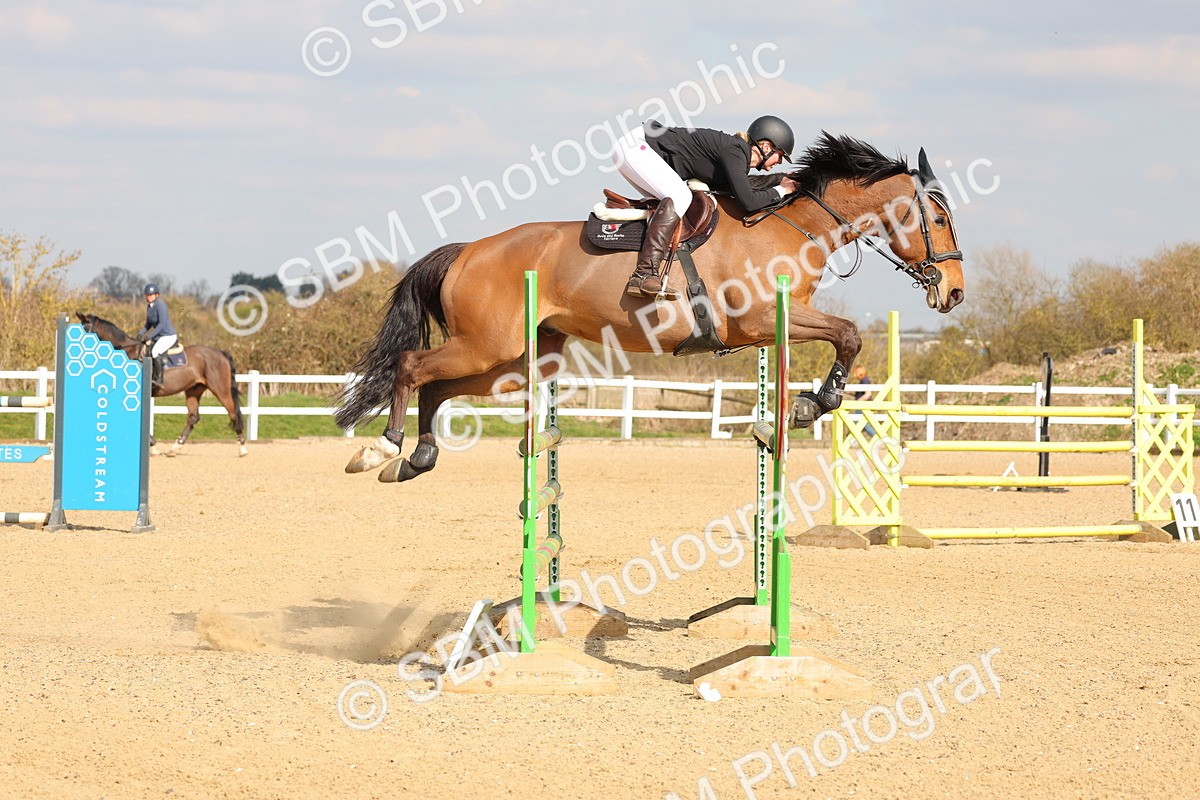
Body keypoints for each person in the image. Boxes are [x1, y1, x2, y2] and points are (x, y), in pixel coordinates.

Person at [611, 115, 802, 299]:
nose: (779, 162)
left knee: (668, 203)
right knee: (679, 196)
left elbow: (744, 186)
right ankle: (644, 274)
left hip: (638, 149)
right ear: (766, 146)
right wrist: (781, 190)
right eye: (780, 155)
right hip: (636, 147)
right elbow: (748, 201)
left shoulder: (737, 156)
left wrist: (779, 181)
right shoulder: (735, 150)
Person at [137, 283, 177, 388]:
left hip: (168, 336)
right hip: (159, 336)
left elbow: (161, 324)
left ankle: (159, 380)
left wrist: (149, 336)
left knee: (155, 352)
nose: (148, 297)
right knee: (145, 350)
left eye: (151, 295)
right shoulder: (149, 307)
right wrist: (141, 333)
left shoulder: (161, 305)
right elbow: (148, 324)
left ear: (156, 295)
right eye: (147, 295)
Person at [851, 364, 876, 439]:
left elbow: (868, 394)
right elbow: (861, 394)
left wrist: (857, 402)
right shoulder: (863, 380)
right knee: (860, 424)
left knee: (861, 424)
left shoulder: (864, 381)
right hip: (862, 405)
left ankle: (877, 438)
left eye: (855, 373)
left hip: (862, 406)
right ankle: (877, 438)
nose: (854, 375)